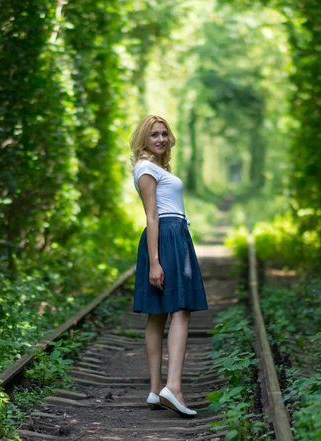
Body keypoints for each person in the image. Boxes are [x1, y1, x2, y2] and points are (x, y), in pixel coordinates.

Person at [130, 115, 208, 418]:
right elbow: (151, 216)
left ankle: (156, 390)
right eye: (154, 135)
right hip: (166, 237)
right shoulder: (146, 168)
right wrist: (155, 262)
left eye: (164, 134)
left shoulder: (158, 168)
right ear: (144, 140)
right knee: (181, 310)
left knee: (159, 315)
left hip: (174, 235)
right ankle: (173, 387)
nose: (161, 139)